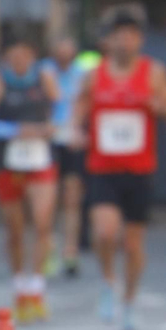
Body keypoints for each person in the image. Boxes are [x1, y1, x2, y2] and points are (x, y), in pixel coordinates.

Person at [69, 6, 166, 330]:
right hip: (103, 167)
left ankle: (130, 300)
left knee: (134, 245)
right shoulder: (95, 75)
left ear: (140, 40)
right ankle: (108, 279)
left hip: (138, 169)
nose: (125, 41)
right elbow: (79, 107)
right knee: (105, 232)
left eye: (132, 36)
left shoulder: (152, 73)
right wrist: (76, 130)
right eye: (119, 36)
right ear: (108, 41)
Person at [0, 29, 61, 323]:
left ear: (33, 56)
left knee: (43, 220)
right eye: (13, 57)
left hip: (40, 160)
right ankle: (20, 285)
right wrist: (15, 131)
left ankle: (37, 287)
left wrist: (51, 127)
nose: (19, 61)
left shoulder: (44, 77)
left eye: (24, 56)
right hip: (8, 161)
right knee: (15, 228)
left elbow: (64, 108)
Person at [46, 36, 99, 279]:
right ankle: (48, 248)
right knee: (48, 200)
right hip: (50, 139)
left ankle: (70, 251)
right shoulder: (44, 71)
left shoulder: (85, 72)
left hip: (73, 141)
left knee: (72, 199)